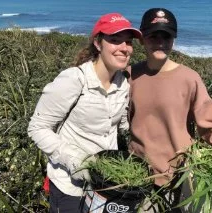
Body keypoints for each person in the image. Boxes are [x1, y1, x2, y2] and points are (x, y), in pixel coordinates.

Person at [127, 8, 212, 212]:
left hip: (182, 179)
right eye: (153, 36)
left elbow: (210, 123)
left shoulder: (189, 78)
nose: (160, 42)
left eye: (166, 36)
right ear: (142, 39)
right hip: (138, 176)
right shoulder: (130, 76)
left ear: (174, 40)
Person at [27, 13, 141, 213]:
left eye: (128, 42)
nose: (124, 48)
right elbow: (37, 128)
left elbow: (121, 126)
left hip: (106, 185)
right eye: (115, 40)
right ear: (98, 43)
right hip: (70, 187)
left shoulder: (123, 83)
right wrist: (77, 162)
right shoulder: (74, 80)